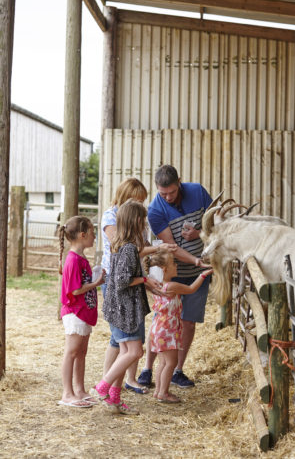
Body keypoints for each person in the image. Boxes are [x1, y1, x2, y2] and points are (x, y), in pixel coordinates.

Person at [138, 165, 212, 389]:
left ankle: (177, 370)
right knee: (161, 320)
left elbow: (215, 223)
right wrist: (196, 260)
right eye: (163, 193)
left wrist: (199, 233)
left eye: (171, 192)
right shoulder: (155, 210)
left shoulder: (198, 192)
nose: (168, 197)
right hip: (172, 271)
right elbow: (171, 247)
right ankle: (148, 368)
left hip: (200, 271)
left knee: (188, 322)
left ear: (179, 181)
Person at [100, 178, 176, 394]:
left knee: (128, 342)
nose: (142, 206)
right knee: (127, 344)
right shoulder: (114, 221)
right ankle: (106, 384)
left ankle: (116, 388)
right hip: (122, 289)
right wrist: (145, 277)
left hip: (131, 286)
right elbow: (128, 253)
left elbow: (139, 248)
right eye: (138, 200)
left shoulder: (131, 225)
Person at [91, 199, 162, 414]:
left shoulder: (120, 244)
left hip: (120, 306)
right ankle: (102, 387)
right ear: (137, 221)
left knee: (125, 352)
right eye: (144, 221)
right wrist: (144, 280)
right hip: (126, 308)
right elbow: (122, 280)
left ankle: (114, 399)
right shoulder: (130, 248)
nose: (146, 224)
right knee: (135, 352)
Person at [144, 250, 212, 403]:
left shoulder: (157, 285)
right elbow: (191, 289)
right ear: (165, 269)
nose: (177, 265)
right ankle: (164, 393)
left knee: (163, 362)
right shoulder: (171, 286)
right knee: (171, 362)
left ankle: (158, 391)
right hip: (168, 329)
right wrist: (203, 275)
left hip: (158, 327)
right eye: (174, 263)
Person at [58, 216, 105, 408]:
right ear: (83, 235)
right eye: (93, 234)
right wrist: (96, 283)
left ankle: (79, 390)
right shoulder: (72, 260)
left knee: (81, 352)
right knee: (72, 351)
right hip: (75, 312)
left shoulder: (81, 258)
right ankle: (67, 393)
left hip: (84, 311)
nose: (95, 237)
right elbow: (75, 290)